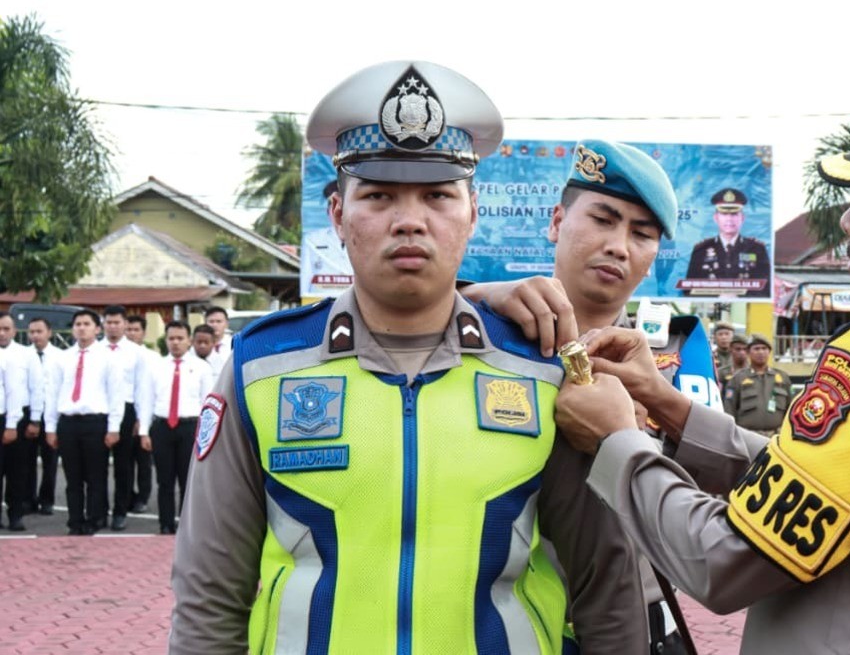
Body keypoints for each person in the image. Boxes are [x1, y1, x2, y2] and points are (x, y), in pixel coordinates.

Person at [170, 61, 643, 654]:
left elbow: (605, 585)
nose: (410, 220)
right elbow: (210, 595)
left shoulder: (542, 371)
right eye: (379, 195)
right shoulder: (262, 369)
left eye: (438, 196)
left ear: (472, 213)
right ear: (339, 215)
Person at [553, 90, 850, 653]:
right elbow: (807, 489)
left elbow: (721, 561)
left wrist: (617, 442)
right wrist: (670, 407)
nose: (848, 221)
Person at [463, 138, 717, 654]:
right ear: (557, 222)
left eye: (641, 234)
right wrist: (474, 295)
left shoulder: (677, 356)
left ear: (653, 257)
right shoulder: (482, 340)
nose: (619, 246)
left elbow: (709, 499)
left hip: (638, 621)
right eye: (603, 219)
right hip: (506, 618)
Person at [46, 309, 124, 536]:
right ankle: (75, 520)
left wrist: (114, 428)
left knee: (95, 475)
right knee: (73, 477)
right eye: (77, 324)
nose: (81, 328)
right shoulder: (62, 358)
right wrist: (51, 427)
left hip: (95, 422)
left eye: (86, 324)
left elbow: (115, 395)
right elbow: (52, 393)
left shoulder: (108, 358)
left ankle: (95, 518)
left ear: (97, 329)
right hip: (68, 422)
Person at [137, 321, 212, 534]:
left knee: (188, 480)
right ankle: (166, 523)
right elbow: (147, 401)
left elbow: (208, 403)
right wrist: (144, 431)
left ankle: (187, 525)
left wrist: (205, 435)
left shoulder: (201, 368)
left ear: (189, 341)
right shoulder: (156, 367)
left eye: (180, 338)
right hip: (162, 427)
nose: (176, 343)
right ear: (166, 340)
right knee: (165, 479)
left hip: (190, 427)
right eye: (171, 338)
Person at [101, 305, 148, 531]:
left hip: (128, 411)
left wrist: (141, 417)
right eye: (108, 322)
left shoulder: (136, 352)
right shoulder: (95, 350)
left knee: (124, 465)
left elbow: (141, 387)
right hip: (101, 410)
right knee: (97, 466)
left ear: (124, 324)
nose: (112, 326)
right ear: (103, 324)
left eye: (117, 322)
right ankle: (98, 512)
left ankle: (120, 511)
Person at [682, 188, 772, 297]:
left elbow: (766, 289)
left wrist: (737, 296)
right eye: (724, 214)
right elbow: (688, 290)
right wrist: (718, 296)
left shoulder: (757, 249)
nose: (729, 219)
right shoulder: (700, 250)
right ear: (716, 218)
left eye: (734, 214)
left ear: (742, 218)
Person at [0, 311, 43, 531]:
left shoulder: (26, 354)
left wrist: (34, 419)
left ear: (15, 331)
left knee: (17, 470)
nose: (2, 333)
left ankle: (15, 514)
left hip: (17, 417)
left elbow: (36, 388)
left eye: (6, 329)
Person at [26, 317, 61, 516]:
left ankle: (47, 500)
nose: (35, 336)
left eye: (39, 331)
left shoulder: (60, 356)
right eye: (31, 332)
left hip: (52, 413)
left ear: (49, 332)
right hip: (29, 413)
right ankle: (28, 499)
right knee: (26, 460)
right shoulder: (23, 355)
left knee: (50, 460)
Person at [722, 334, 790, 435]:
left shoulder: (782, 377)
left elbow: (790, 408)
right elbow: (729, 410)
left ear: (769, 352)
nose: (761, 352)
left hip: (776, 436)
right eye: (756, 349)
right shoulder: (737, 379)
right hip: (747, 436)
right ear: (748, 352)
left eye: (764, 348)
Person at [124, 314, 159, 513]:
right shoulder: (118, 356)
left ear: (143, 333)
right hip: (125, 414)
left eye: (136, 330)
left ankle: (142, 497)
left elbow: (152, 390)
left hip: (146, 415)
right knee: (125, 461)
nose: (131, 334)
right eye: (128, 329)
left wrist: (143, 418)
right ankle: (127, 494)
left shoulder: (152, 358)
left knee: (143, 461)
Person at [201, 306, 232, 378]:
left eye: (219, 321)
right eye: (211, 321)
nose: (215, 325)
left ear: (226, 324)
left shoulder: (233, 345)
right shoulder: (198, 346)